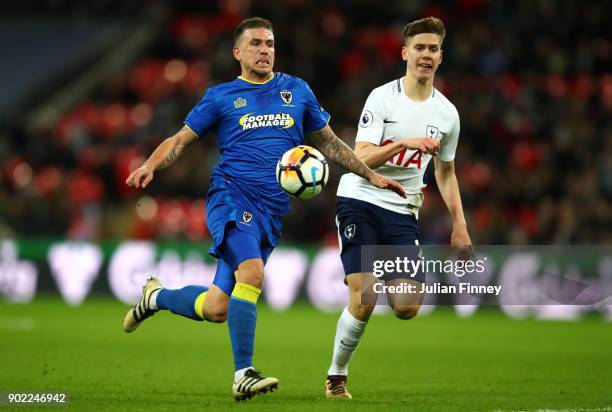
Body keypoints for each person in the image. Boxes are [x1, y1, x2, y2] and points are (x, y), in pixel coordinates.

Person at [122, 17, 406, 402]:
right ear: (238, 52)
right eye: (255, 43)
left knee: (217, 307)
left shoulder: (297, 91)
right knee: (252, 275)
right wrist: (151, 164)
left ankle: (155, 297)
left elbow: (331, 144)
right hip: (231, 197)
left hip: (271, 211)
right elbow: (180, 140)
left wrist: (370, 174)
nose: (264, 50)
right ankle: (243, 374)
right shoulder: (221, 97)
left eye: (270, 43)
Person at [324, 17, 473, 399]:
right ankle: (336, 376)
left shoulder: (448, 114)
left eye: (433, 49)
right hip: (361, 198)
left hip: (403, 212)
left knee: (406, 305)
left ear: (441, 57)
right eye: (419, 48)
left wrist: (460, 225)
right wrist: (404, 143)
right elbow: (361, 158)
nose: (426, 55)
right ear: (405, 53)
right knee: (365, 296)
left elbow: (446, 172)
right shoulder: (382, 98)